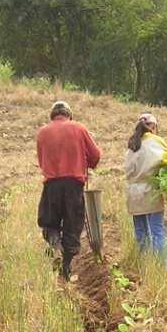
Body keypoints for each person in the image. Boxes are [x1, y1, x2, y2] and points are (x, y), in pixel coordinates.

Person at [36, 100, 102, 282]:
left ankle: (55, 245)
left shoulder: (42, 132)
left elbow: (42, 161)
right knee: (73, 226)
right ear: (69, 115)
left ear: (52, 116)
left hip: (51, 186)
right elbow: (96, 155)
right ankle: (65, 267)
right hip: (74, 185)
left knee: (49, 223)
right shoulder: (79, 128)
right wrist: (85, 162)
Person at [124, 112, 167, 262]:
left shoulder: (132, 144)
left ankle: (144, 263)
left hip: (134, 192)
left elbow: (127, 170)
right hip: (150, 191)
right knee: (157, 230)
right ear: (153, 126)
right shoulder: (155, 141)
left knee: (140, 231)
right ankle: (161, 266)